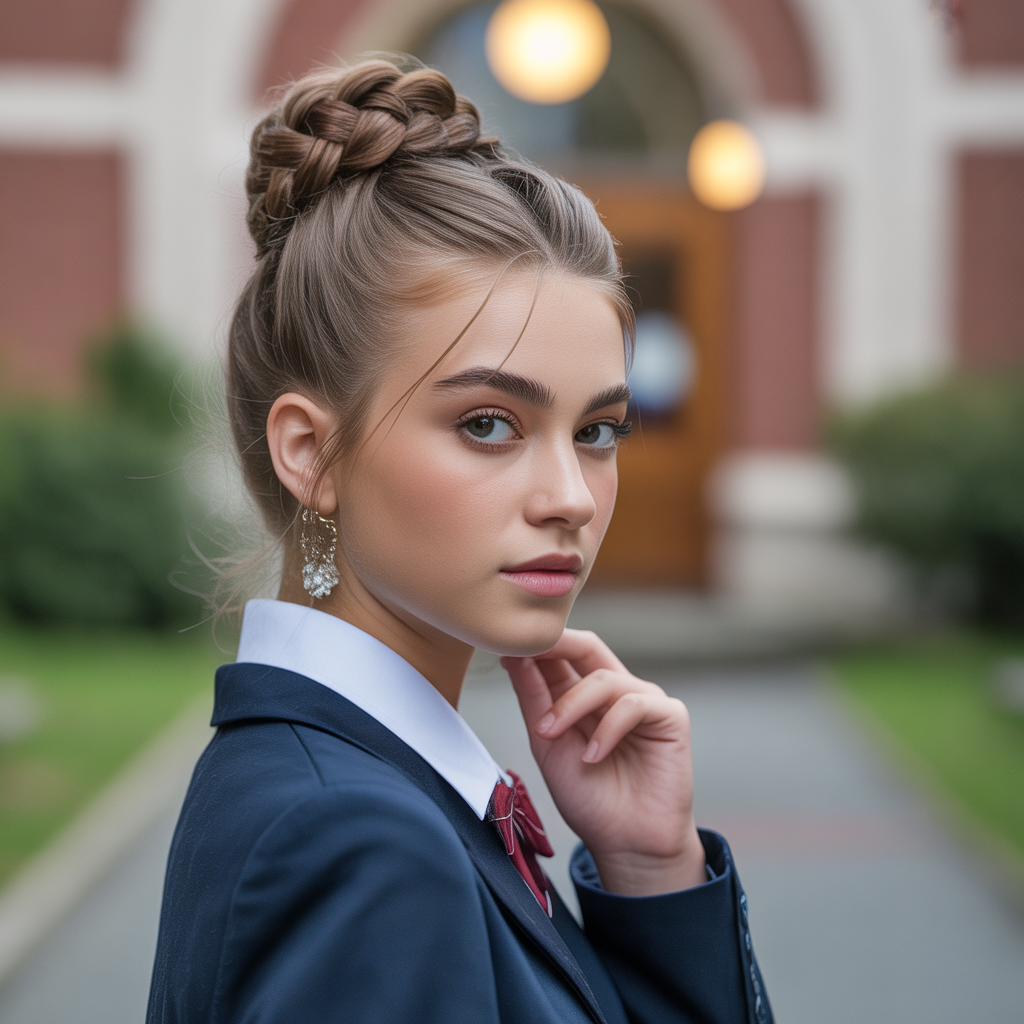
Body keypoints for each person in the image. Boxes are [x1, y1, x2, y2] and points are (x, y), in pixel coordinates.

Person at [147, 59, 773, 1024]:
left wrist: (653, 870)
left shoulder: (334, 782)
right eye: (488, 423)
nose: (571, 496)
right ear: (312, 452)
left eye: (598, 431)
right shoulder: (360, 840)